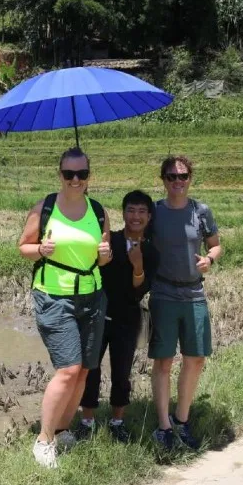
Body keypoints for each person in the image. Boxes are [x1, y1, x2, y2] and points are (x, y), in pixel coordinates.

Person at [18, 147, 112, 469]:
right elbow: (23, 247)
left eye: (82, 174)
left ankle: (61, 429)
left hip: (93, 296)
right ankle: (43, 440)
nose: (75, 180)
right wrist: (40, 250)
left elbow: (102, 256)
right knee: (68, 369)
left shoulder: (98, 211)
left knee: (85, 368)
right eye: (69, 173)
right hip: (54, 297)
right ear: (59, 174)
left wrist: (105, 255)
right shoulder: (44, 208)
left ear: (89, 176)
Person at [148, 155, 222, 450]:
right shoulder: (154, 212)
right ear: (163, 180)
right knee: (163, 360)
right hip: (164, 293)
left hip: (194, 293)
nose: (177, 182)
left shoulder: (201, 211)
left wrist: (209, 259)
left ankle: (182, 420)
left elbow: (215, 244)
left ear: (191, 178)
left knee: (196, 358)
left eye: (182, 176)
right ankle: (163, 426)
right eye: (171, 177)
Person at [76, 190, 157, 443]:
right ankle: (87, 421)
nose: (136, 216)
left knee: (122, 372)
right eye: (131, 211)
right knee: (90, 369)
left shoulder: (152, 250)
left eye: (142, 211)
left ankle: (117, 421)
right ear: (123, 214)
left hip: (128, 318)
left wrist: (138, 265)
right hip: (98, 314)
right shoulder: (110, 240)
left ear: (149, 216)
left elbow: (140, 290)